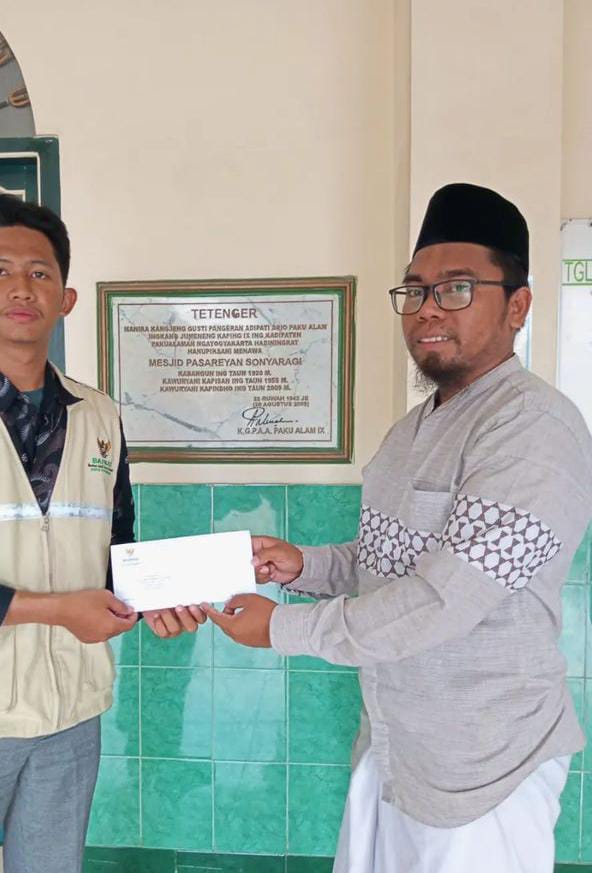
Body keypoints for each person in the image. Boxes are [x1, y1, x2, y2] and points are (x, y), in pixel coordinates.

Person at [204, 183, 592, 873]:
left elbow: (443, 600)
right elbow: (390, 562)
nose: (426, 311)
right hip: (394, 751)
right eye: (414, 291)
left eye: (456, 289)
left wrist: (280, 629)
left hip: (483, 769)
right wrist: (306, 565)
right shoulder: (417, 425)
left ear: (519, 305)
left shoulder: (532, 429)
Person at [0, 194, 204, 873]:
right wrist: (53, 610)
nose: (22, 287)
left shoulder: (99, 415)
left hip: (67, 712)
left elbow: (117, 550)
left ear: (67, 298)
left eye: (40, 273)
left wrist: (157, 597)